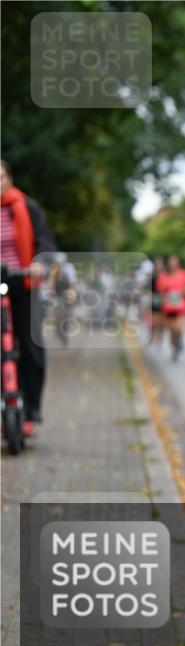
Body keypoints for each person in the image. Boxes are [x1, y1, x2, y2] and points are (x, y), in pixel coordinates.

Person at [0, 159, 57, 438]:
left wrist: (39, 263)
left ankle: (31, 407)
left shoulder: (27, 207)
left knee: (30, 345)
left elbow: (45, 242)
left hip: (24, 282)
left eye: (0, 177)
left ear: (9, 178)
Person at [156, 255, 185, 362]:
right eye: (171, 263)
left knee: (179, 328)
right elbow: (161, 292)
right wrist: (166, 297)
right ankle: (175, 348)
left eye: (175, 263)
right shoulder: (163, 277)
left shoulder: (184, 274)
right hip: (168, 307)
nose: (173, 265)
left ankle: (179, 340)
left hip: (181, 306)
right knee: (172, 330)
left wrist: (183, 292)